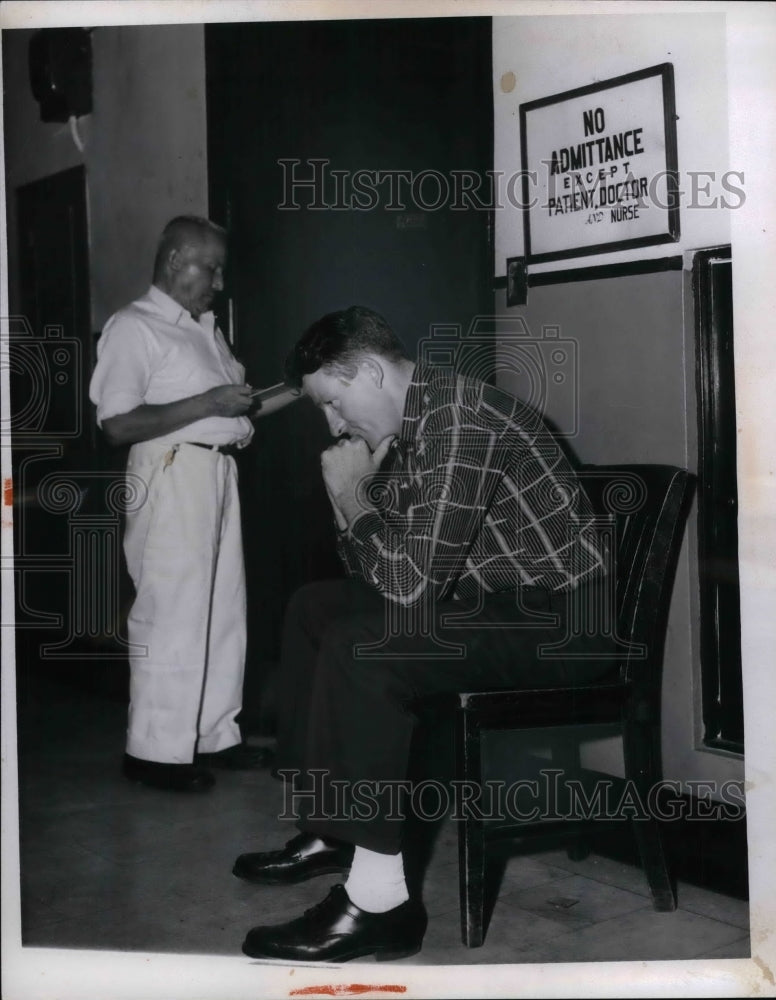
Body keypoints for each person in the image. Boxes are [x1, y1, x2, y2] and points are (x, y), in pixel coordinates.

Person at [233, 305, 616, 962]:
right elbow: (379, 574)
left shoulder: (459, 419)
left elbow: (409, 589)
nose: (333, 424)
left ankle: (380, 904)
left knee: (363, 648)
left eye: (333, 402)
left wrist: (353, 499)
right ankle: (332, 825)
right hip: (488, 606)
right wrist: (351, 499)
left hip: (559, 624)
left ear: (373, 373)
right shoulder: (412, 427)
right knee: (313, 609)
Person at [89, 216, 297, 793]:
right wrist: (208, 399)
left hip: (218, 473)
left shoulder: (205, 329)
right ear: (178, 259)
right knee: (173, 611)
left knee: (223, 611)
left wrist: (300, 386)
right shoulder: (134, 327)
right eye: (213, 267)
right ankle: (153, 753)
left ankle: (213, 737)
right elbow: (116, 423)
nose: (220, 282)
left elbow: (238, 410)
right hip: (172, 473)